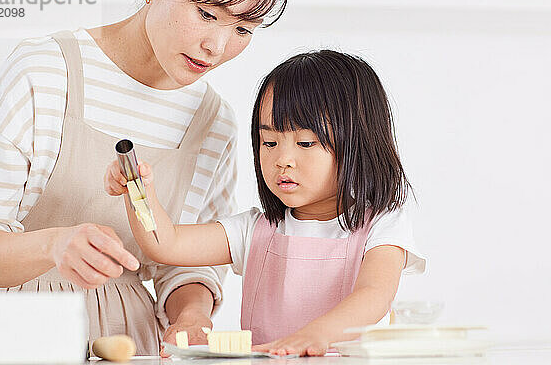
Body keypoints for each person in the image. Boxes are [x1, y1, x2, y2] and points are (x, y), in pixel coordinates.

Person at [0, 0, 288, 356]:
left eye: (243, 29)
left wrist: (192, 318)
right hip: (14, 333)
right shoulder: (44, 70)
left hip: (132, 344)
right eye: (207, 13)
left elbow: (186, 264)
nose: (217, 45)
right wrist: (53, 246)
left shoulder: (215, 123)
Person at [105, 50, 427, 356]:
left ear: (359, 143)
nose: (282, 160)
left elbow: (374, 297)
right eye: (269, 142)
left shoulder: (383, 225)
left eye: (305, 142)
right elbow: (167, 243)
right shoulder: (256, 230)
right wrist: (139, 192)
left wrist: (316, 335)